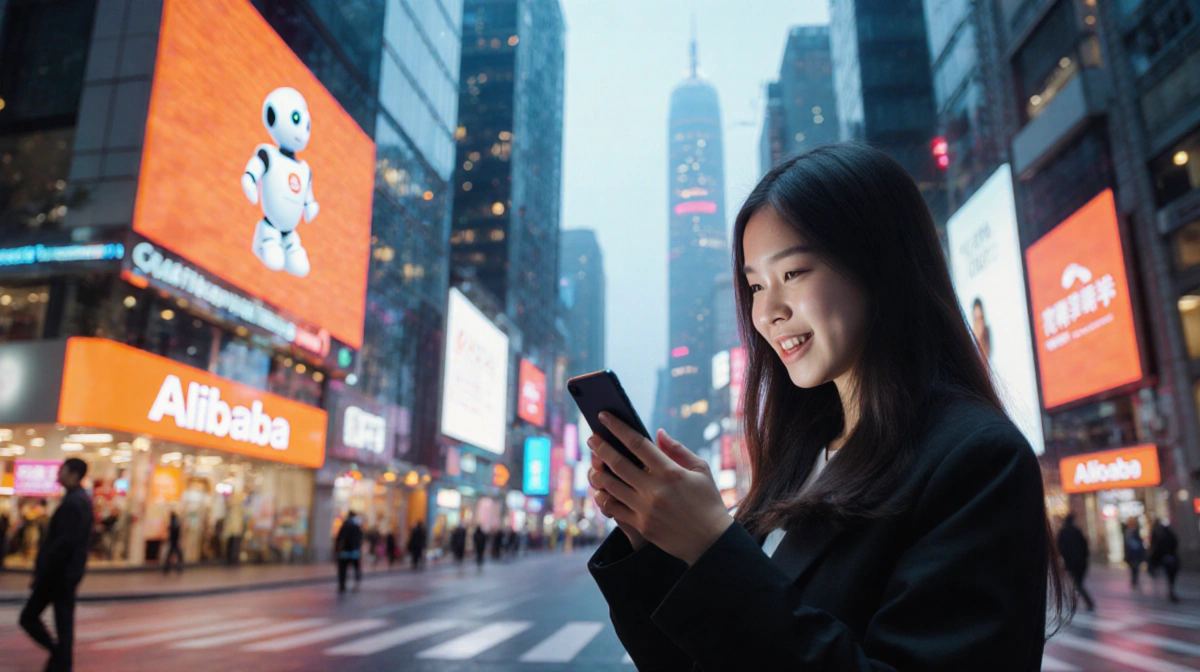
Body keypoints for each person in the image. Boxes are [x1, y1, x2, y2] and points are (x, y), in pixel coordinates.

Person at [586, 144, 1068, 670]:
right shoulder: (799, 460)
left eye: (793, 273)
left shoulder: (978, 460)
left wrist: (711, 546)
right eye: (755, 285)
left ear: (878, 264)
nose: (767, 312)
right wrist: (655, 546)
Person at [20, 458, 93, 672]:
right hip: (65, 574)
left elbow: (64, 543)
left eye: (63, 471)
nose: (58, 474)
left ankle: (59, 658)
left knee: (30, 618)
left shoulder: (74, 503)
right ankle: (61, 662)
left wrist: (44, 571)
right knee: (63, 623)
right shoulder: (78, 500)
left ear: (74, 475)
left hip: (58, 575)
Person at [1056, 513, 1094, 611]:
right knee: (1078, 583)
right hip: (1081, 562)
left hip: (1072, 562)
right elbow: (1084, 546)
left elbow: (1060, 548)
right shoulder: (1077, 531)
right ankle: (1079, 603)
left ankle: (1076, 603)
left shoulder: (1063, 533)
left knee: (1077, 583)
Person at [1148, 519, 1181, 603]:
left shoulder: (1162, 536)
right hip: (1168, 558)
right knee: (1171, 576)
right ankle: (1171, 590)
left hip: (1167, 558)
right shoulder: (1165, 535)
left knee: (1170, 576)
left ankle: (1171, 590)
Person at [335, 511, 363, 592]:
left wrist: (337, 550)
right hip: (354, 552)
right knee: (356, 568)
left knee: (342, 569)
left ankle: (342, 584)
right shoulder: (356, 527)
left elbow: (338, 539)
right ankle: (356, 583)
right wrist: (358, 549)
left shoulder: (344, 526)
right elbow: (359, 540)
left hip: (344, 551)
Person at [1125, 517, 1146, 588]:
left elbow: (1139, 542)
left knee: (1135, 567)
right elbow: (1127, 544)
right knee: (1133, 568)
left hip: (1136, 553)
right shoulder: (1128, 532)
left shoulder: (1136, 531)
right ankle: (1134, 580)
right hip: (1131, 554)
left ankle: (1135, 580)